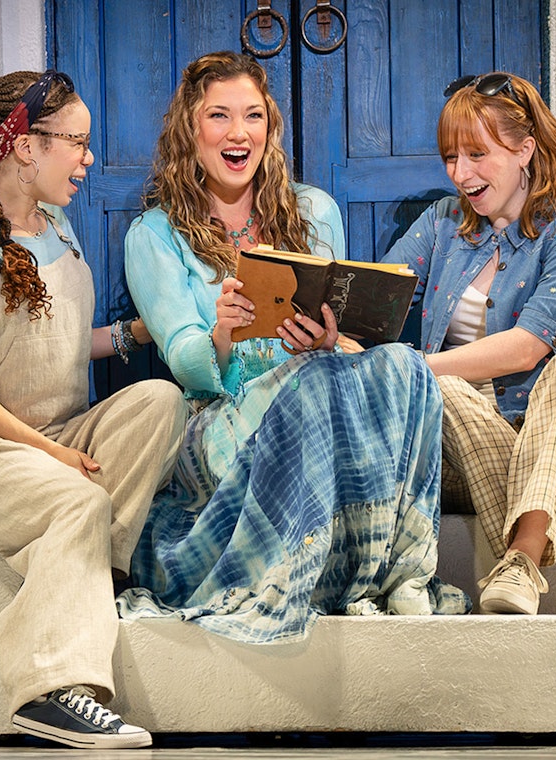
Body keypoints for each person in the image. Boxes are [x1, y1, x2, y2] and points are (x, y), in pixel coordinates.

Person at [119, 51, 468, 643]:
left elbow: (348, 335)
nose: (238, 133)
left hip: (319, 394)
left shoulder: (315, 211)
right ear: (191, 130)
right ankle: (316, 578)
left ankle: (401, 573)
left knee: (404, 364)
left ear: (269, 128)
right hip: (221, 421)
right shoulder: (155, 234)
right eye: (219, 116)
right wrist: (222, 333)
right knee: (311, 384)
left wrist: (330, 338)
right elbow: (188, 368)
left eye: (252, 116)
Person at [0, 70, 187, 749]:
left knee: (159, 400)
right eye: (77, 142)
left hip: (63, 432)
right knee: (77, 501)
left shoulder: (60, 228)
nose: (88, 158)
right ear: (24, 146)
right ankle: (51, 692)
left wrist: (140, 334)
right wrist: (49, 454)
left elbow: (56, 345)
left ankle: (104, 574)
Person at [383, 72, 556, 616]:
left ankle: (522, 553)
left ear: (525, 149)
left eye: (477, 153)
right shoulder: (442, 224)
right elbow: (379, 295)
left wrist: (420, 365)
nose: (460, 173)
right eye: (450, 156)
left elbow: (526, 349)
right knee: (438, 390)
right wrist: (339, 325)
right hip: (463, 451)